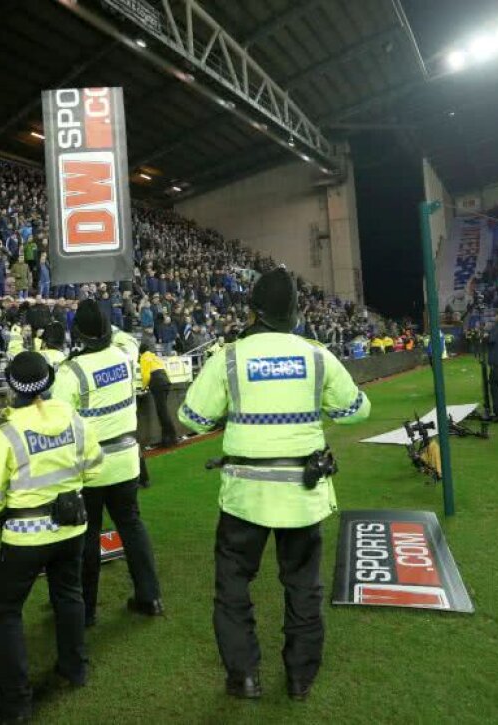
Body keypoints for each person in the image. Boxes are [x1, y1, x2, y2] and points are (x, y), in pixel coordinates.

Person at [177, 268, 372, 701]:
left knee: (233, 587)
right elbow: (358, 409)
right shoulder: (318, 355)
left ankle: (244, 676)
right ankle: (301, 678)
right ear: (297, 312)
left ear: (252, 312)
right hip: (302, 496)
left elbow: (191, 418)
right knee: (303, 585)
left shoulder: (228, 357)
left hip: (244, 497)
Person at [0, 352, 101, 723]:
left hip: (25, 537)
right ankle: (74, 668)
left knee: (6, 611)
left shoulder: (7, 433)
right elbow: (94, 468)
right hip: (72, 527)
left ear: (12, 388)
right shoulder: (73, 419)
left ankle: (15, 704)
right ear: (48, 381)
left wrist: (1, 515)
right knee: (69, 594)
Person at [50, 299, 163, 626]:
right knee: (132, 525)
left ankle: (85, 612)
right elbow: (125, 336)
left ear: (78, 333)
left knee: (88, 536)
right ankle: (150, 595)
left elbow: (59, 421)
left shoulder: (71, 371)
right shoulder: (125, 355)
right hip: (127, 460)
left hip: (90, 467)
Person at [139, 342, 177, 448]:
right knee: (164, 411)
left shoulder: (144, 357)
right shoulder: (154, 356)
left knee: (162, 412)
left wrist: (143, 388)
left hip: (157, 382)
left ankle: (170, 439)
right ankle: (168, 437)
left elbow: (146, 375)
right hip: (165, 380)